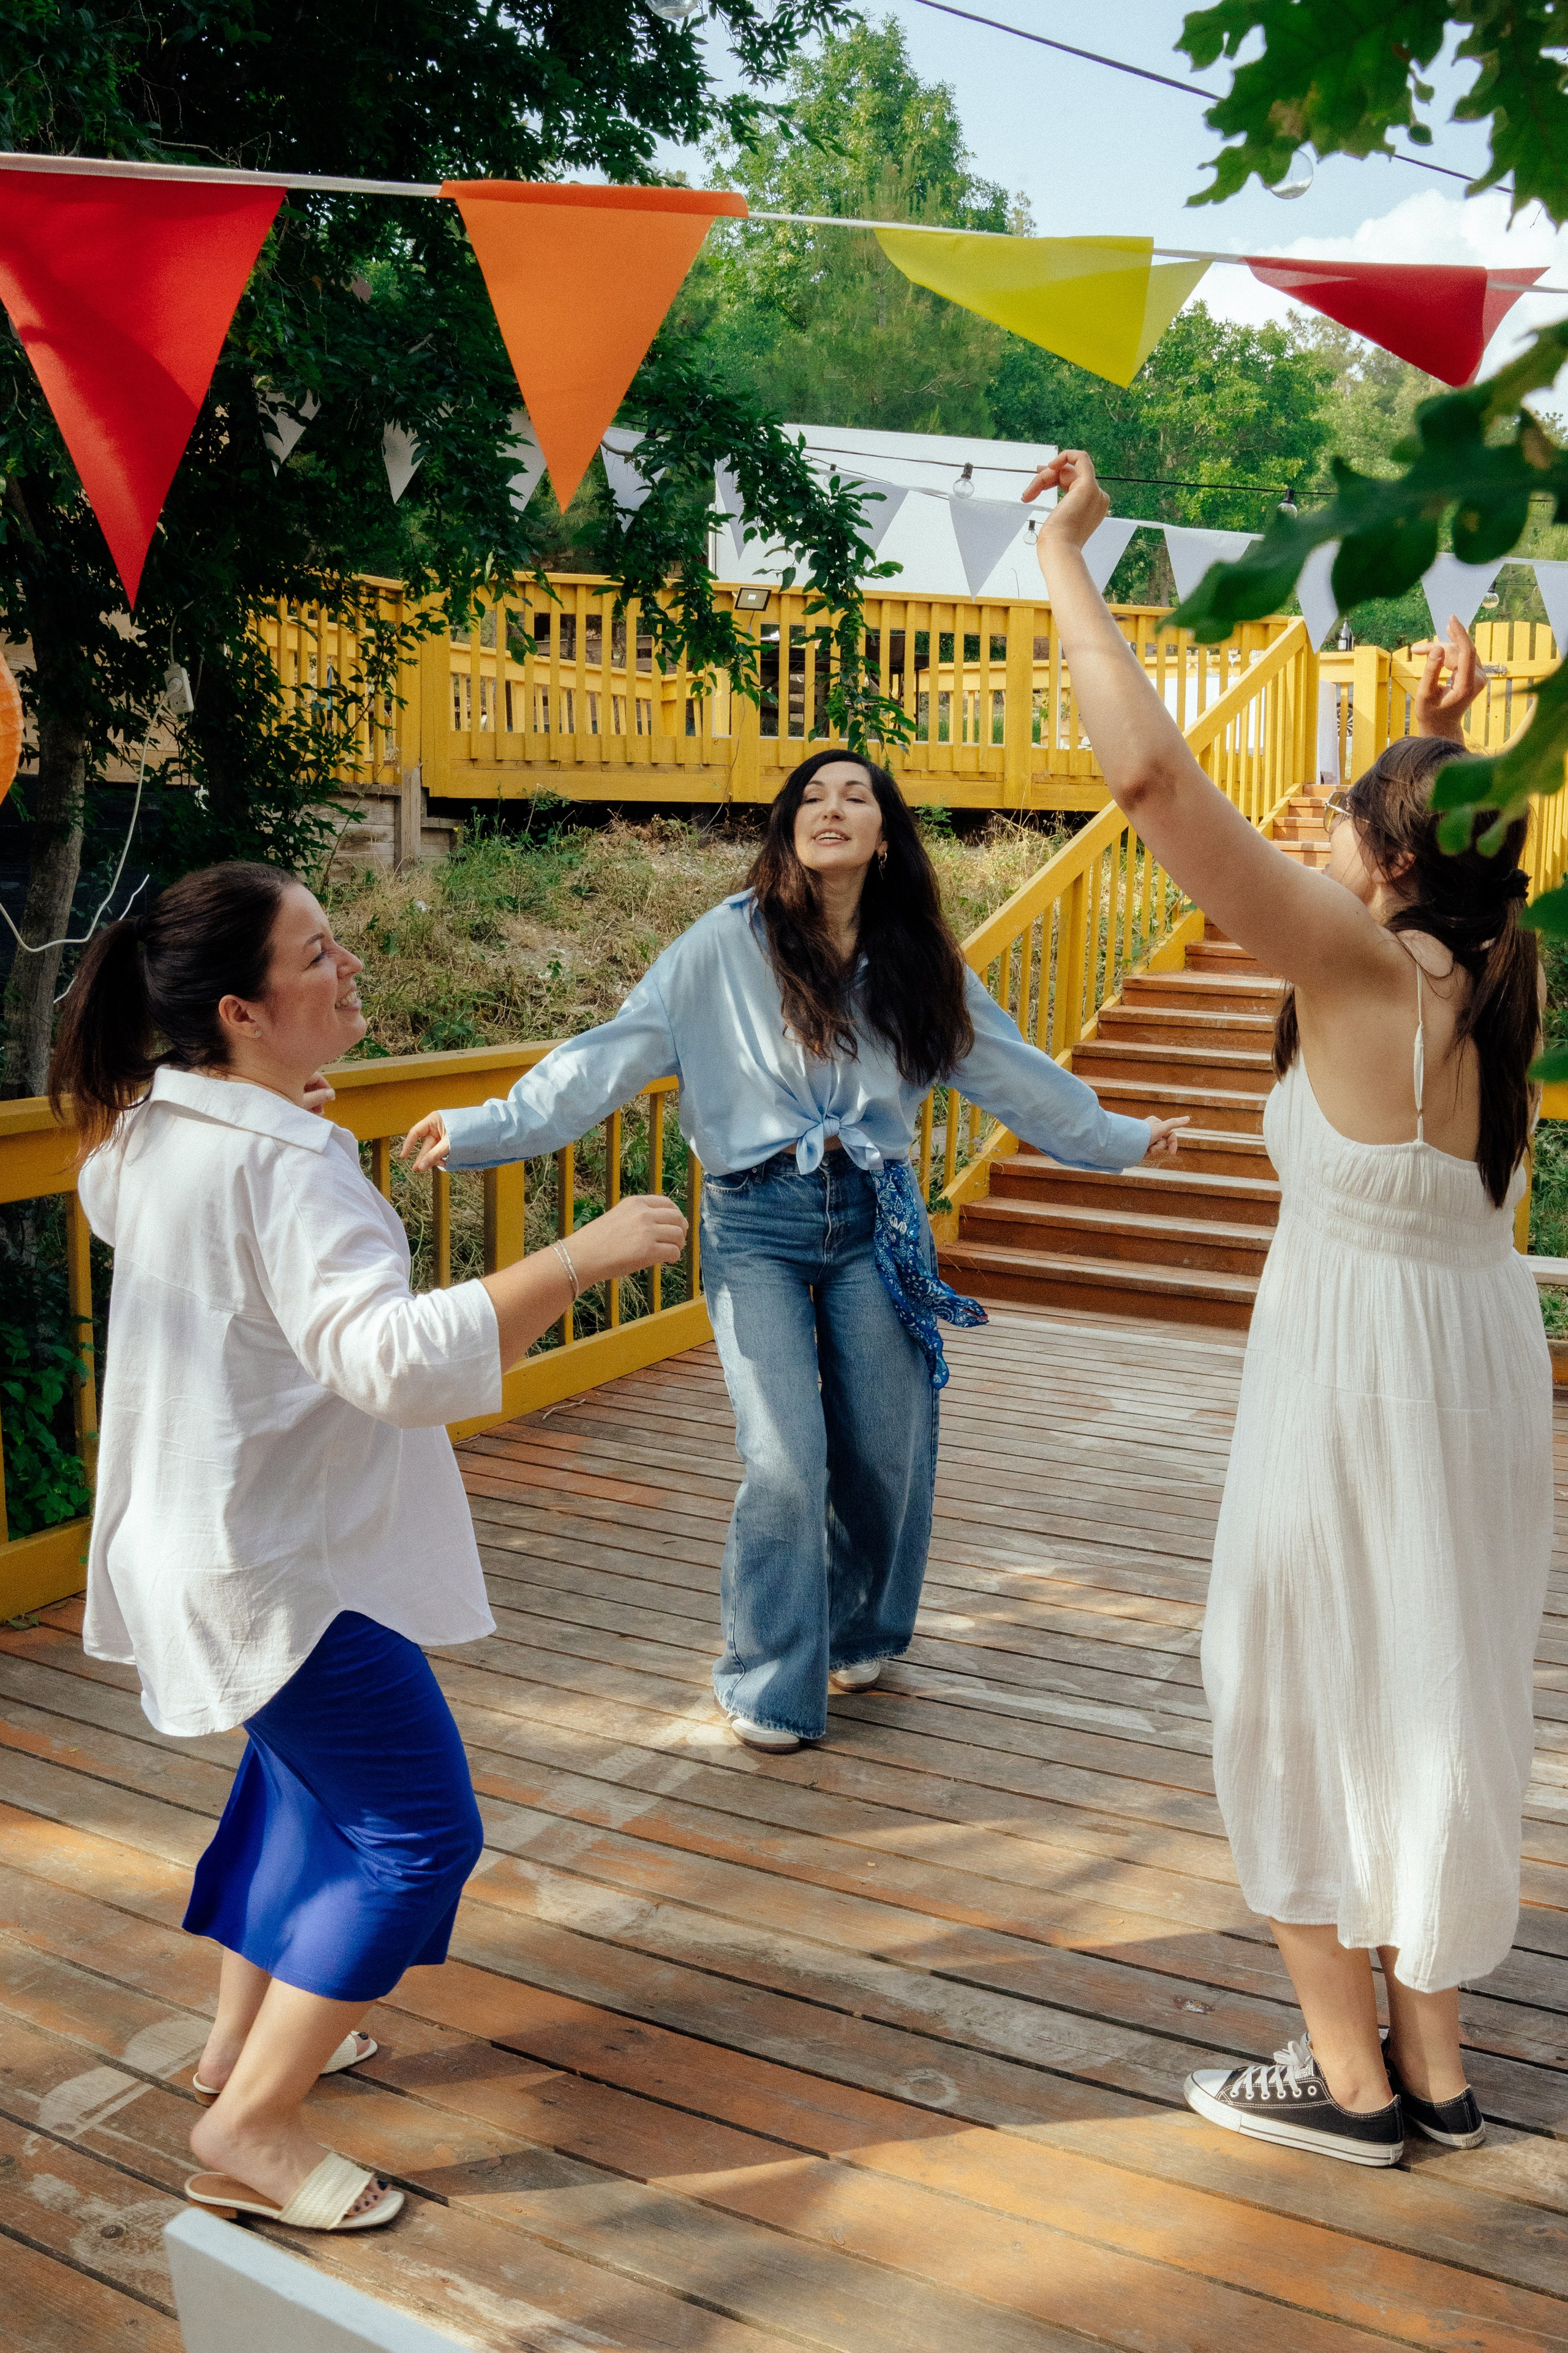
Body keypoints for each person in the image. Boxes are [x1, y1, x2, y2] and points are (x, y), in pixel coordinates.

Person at [1031, 449, 1551, 2169]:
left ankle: (1346, 2083)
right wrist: (1435, 733)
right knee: (1428, 1681)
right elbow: (1432, 860)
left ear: (1385, 860)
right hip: (1470, 1365)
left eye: (1345, 816)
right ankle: (1437, 2070)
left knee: (1299, 1682)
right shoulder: (1493, 979)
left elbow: (1147, 775)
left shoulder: (1348, 960)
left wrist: (1061, 556)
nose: (1315, 831)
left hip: (1357, 1369)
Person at [52, 863, 685, 2234]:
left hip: (214, 1542)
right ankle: (251, 2124)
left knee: (299, 1790)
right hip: (277, 1566)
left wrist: (281, 1107)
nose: (348, 968)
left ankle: (239, 2049)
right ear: (240, 1011)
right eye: (318, 954)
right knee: (417, 1833)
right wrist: (578, 1257)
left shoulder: (151, 1130)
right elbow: (388, 1361)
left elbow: (114, 1192)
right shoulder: (281, 1165)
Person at [402, 752, 1184, 1754]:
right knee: (783, 1456)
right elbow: (606, 1057)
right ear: (786, 829)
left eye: (855, 795)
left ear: (885, 836)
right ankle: (769, 1680)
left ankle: (859, 1627)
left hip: (876, 1214)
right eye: (811, 796)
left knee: (886, 1445)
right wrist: (483, 1127)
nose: (832, 807)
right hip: (756, 1221)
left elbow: (1012, 1074)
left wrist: (1121, 1137)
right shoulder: (718, 948)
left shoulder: (920, 959)